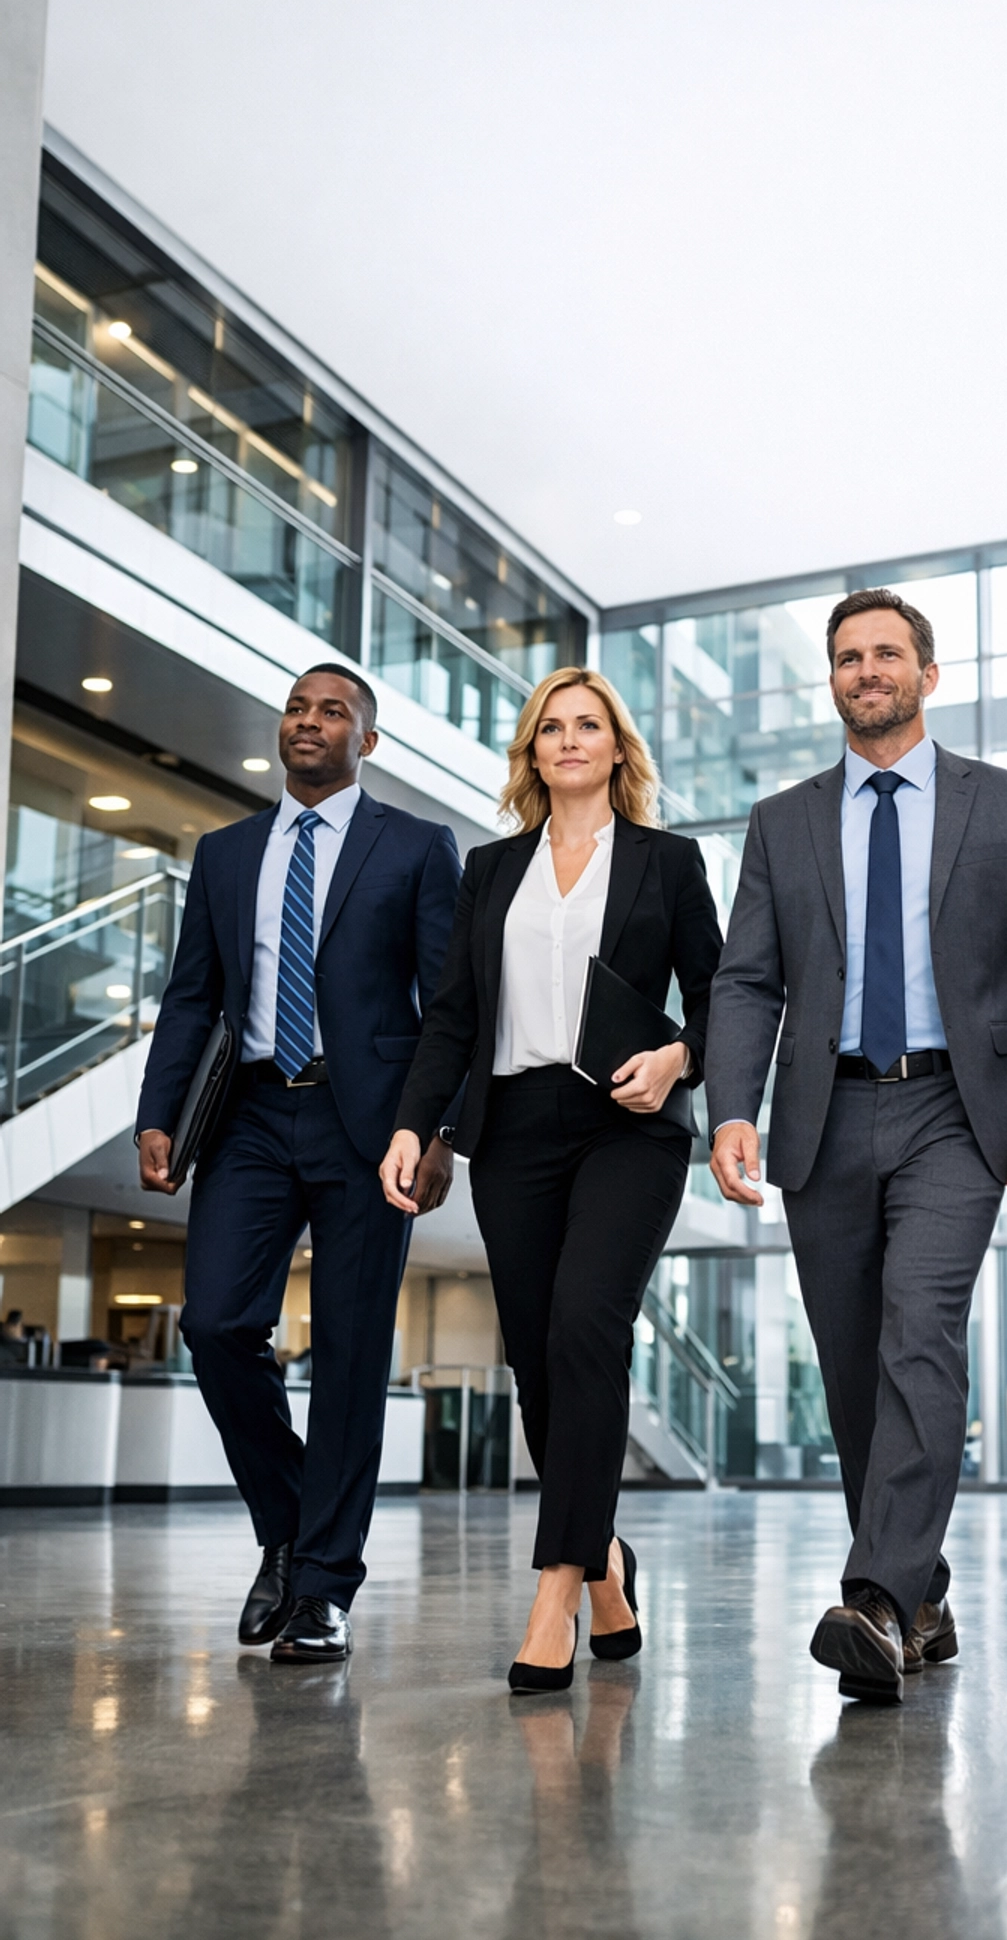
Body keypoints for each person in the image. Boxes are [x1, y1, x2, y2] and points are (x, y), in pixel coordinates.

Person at [707, 589, 1007, 1703]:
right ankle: (920, 1594)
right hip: (823, 1113)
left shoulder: (1005, 803)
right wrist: (732, 1106)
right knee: (851, 1367)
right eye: (847, 657)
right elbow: (748, 979)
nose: (865, 670)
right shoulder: (781, 820)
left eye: (886, 653)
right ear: (832, 679)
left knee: (921, 1332)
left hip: (956, 1112)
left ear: (928, 673)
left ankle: (872, 1597)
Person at [381, 667, 722, 1693]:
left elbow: (722, 997)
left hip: (628, 1125)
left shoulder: (668, 861)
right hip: (515, 1128)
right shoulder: (492, 870)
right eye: (550, 727)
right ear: (532, 751)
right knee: (536, 1358)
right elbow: (452, 1014)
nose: (569, 739)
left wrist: (680, 1058)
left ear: (617, 747)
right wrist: (413, 1124)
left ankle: (557, 1588)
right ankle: (607, 1561)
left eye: (588, 725)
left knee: (585, 1324)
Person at [137, 667, 462, 1663]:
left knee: (353, 1356)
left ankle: (323, 1586)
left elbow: (447, 1001)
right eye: (296, 708)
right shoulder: (227, 852)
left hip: (370, 1128)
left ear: (368, 740)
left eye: (332, 712)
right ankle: (285, 1526)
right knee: (216, 1325)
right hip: (247, 1117)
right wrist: (158, 1114)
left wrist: (439, 1130)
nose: (308, 723)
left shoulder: (416, 846)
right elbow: (192, 995)